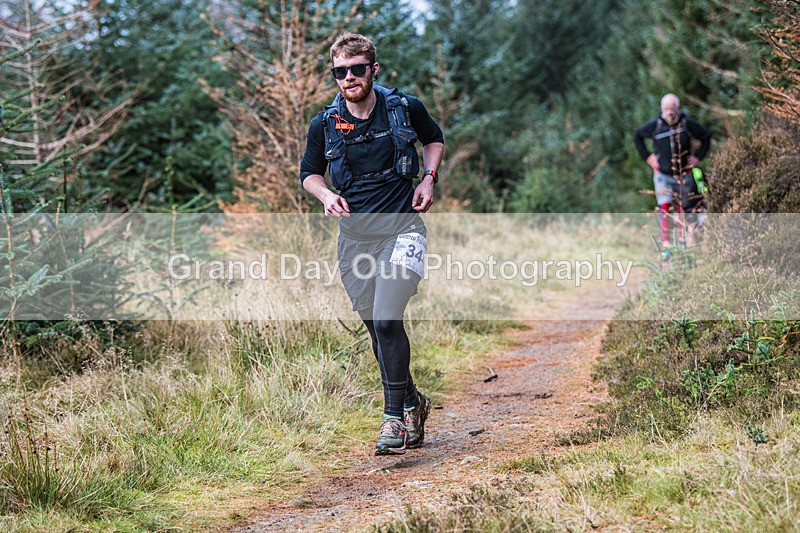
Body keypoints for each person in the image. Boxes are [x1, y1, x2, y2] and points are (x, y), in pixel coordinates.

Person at [299, 33, 444, 455]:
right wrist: (326, 196)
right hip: (354, 241)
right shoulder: (324, 123)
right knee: (376, 329)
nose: (349, 78)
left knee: (386, 319)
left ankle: (393, 420)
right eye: (340, 72)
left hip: (404, 231)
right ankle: (412, 403)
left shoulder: (404, 107)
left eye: (357, 69)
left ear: (373, 69)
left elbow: (433, 139)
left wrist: (429, 179)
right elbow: (310, 172)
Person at [633, 93, 711, 249]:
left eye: (672, 109)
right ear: (662, 109)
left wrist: (697, 157)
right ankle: (666, 245)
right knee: (665, 208)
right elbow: (637, 136)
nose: (669, 113)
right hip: (663, 176)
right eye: (666, 109)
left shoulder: (686, 125)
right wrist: (648, 157)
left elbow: (706, 136)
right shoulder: (656, 126)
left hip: (685, 175)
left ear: (678, 109)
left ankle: (687, 243)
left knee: (686, 208)